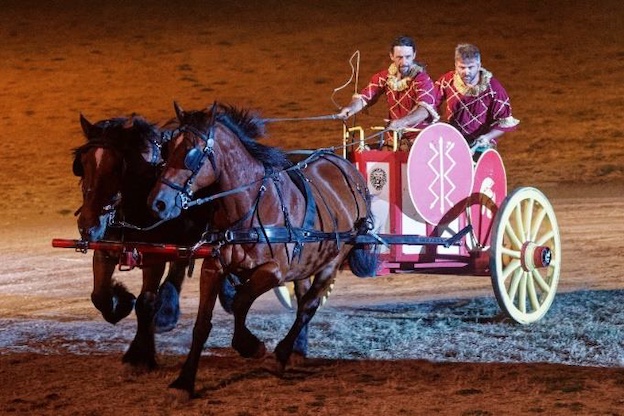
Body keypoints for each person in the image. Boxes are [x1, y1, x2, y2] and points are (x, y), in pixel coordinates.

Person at [337, 35, 439, 146]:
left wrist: (403, 122)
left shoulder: (422, 79)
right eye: (399, 57)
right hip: (393, 140)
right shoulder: (384, 77)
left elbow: (424, 110)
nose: (404, 62)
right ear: (391, 56)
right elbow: (365, 97)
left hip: (419, 141)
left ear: (414, 55)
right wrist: (350, 109)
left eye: (408, 57)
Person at [434, 43, 519, 152]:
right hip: (451, 142)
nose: (466, 72)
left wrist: (487, 137)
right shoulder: (447, 81)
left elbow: (504, 121)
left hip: (480, 145)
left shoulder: (494, 89)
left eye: (471, 67)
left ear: (479, 66)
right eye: (462, 67)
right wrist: (438, 126)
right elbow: (431, 103)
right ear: (455, 65)